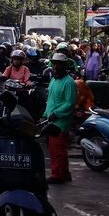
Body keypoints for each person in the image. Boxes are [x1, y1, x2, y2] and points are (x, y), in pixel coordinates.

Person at [43, 53, 77, 184]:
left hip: (61, 120)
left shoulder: (69, 82)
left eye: (58, 64)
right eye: (54, 64)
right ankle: (65, 173)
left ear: (64, 66)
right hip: (52, 118)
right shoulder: (54, 80)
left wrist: (56, 113)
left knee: (57, 148)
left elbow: (70, 103)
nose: (55, 67)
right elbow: (51, 99)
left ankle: (57, 175)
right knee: (56, 148)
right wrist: (45, 114)